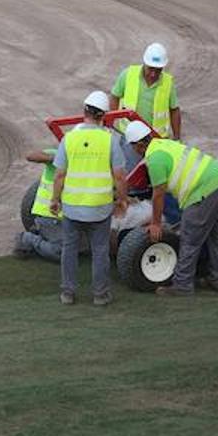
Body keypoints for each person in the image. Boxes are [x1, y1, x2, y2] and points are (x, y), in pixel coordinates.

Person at [124, 121, 218, 296]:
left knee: (189, 238)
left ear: (139, 145)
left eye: (132, 147)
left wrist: (156, 224)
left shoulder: (155, 159)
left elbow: (158, 194)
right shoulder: (164, 143)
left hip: (203, 191)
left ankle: (182, 285)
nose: (132, 151)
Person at [50, 91, 129, 306]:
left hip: (72, 207)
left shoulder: (69, 139)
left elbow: (59, 175)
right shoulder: (109, 140)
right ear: (103, 116)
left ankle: (67, 293)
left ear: (84, 111)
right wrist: (122, 200)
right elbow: (120, 176)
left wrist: (55, 200)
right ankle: (100, 295)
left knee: (69, 250)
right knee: (100, 252)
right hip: (100, 208)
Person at [110, 42, 181, 140]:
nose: (153, 74)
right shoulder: (128, 75)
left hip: (156, 138)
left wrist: (177, 137)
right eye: (151, 69)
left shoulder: (168, 83)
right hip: (129, 136)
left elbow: (174, 110)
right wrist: (112, 122)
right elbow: (115, 96)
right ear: (144, 63)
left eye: (158, 70)